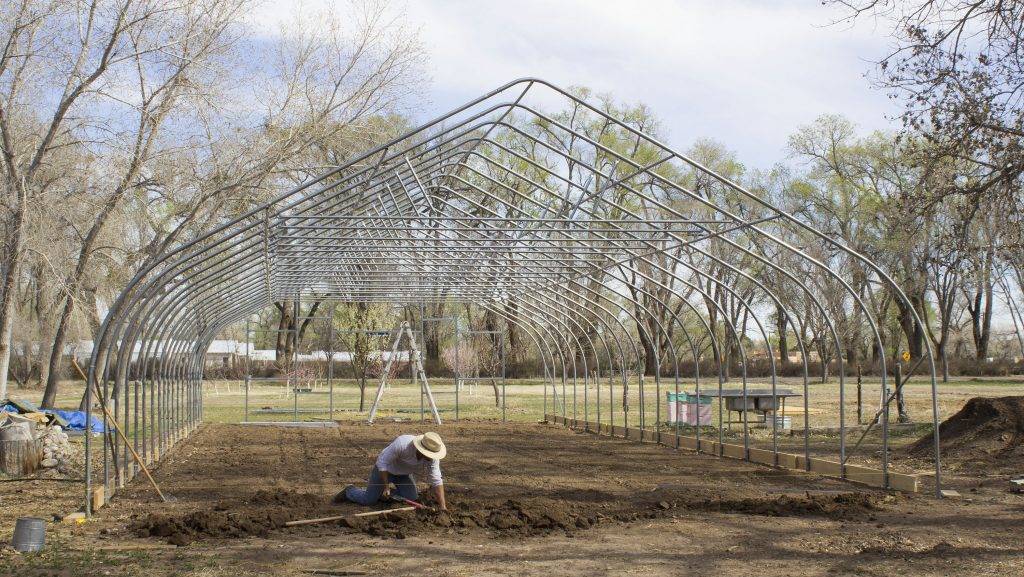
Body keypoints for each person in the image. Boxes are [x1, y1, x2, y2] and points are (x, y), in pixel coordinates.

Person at [337, 431, 448, 510]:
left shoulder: (432, 458)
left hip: (403, 475)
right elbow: (382, 463)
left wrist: (443, 506)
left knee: (412, 498)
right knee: (368, 500)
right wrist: (386, 486)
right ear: (421, 450)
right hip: (385, 471)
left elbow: (436, 480)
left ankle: (381, 493)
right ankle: (350, 491)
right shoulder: (402, 444)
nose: (431, 457)